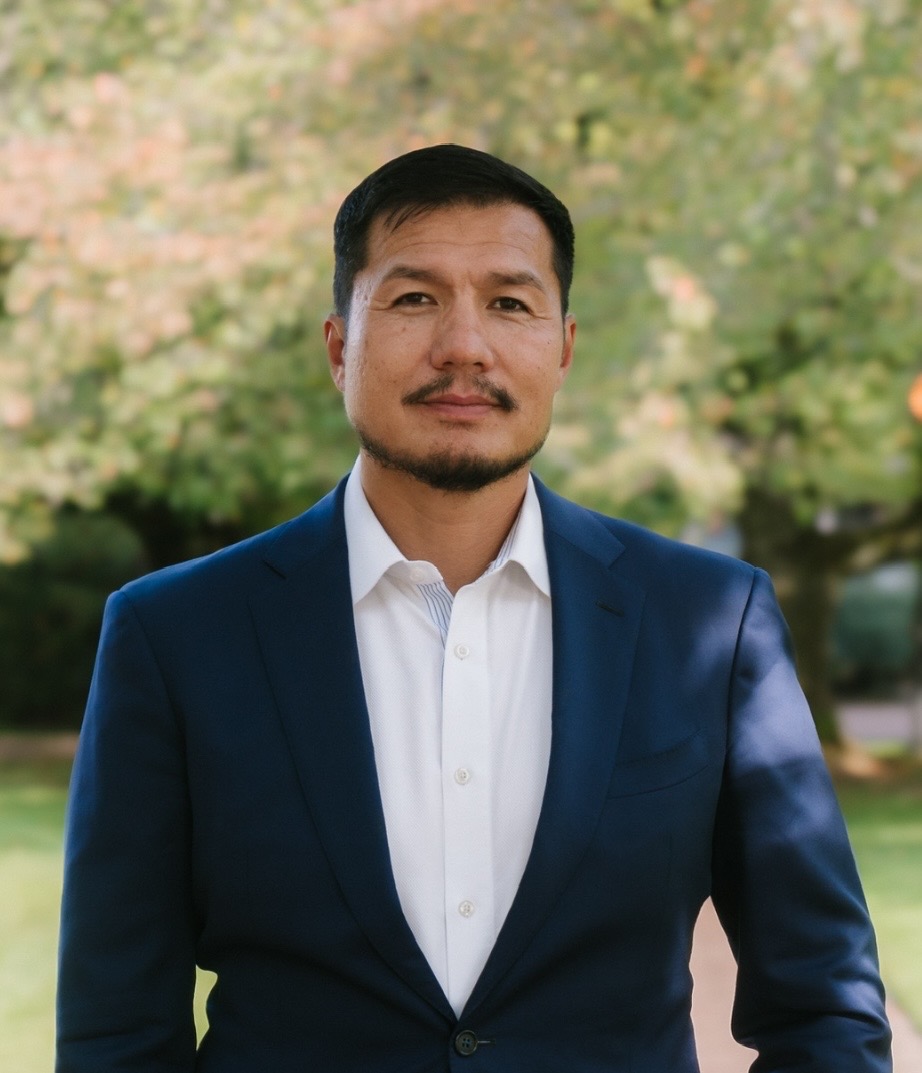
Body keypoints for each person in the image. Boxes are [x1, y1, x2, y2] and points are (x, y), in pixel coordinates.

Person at [57, 144, 892, 1072]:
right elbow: (115, 1033)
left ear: (563, 348)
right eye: (415, 298)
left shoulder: (711, 622)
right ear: (339, 347)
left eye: (510, 303)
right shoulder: (174, 635)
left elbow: (826, 1005)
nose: (464, 345)